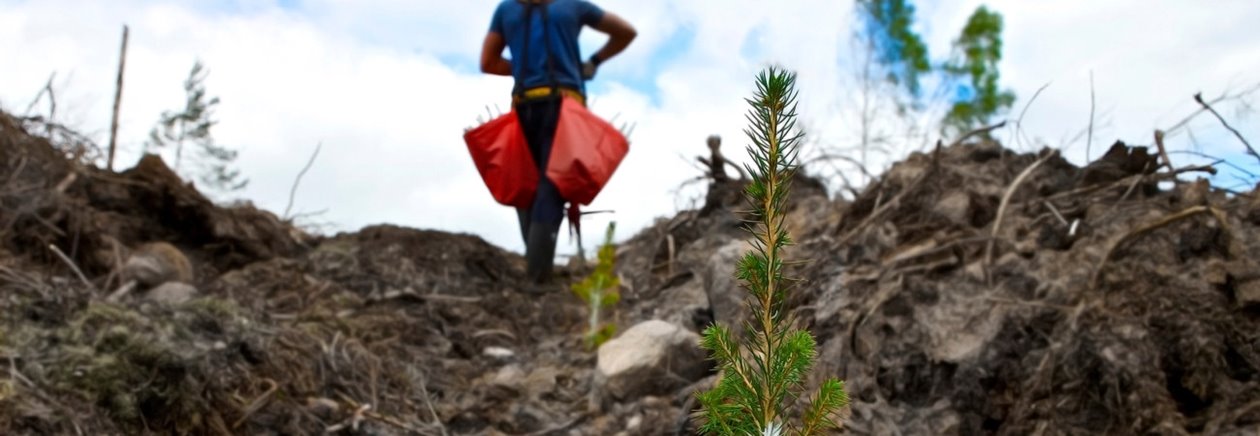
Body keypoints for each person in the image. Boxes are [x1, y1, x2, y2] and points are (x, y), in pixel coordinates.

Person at [480, 0, 636, 284]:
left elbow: (488, 62)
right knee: (553, 185)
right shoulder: (573, 5)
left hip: (523, 106)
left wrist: (523, 66)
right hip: (566, 106)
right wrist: (593, 63)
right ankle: (538, 277)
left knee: (526, 183)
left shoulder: (507, 9)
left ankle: (536, 268)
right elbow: (625, 32)